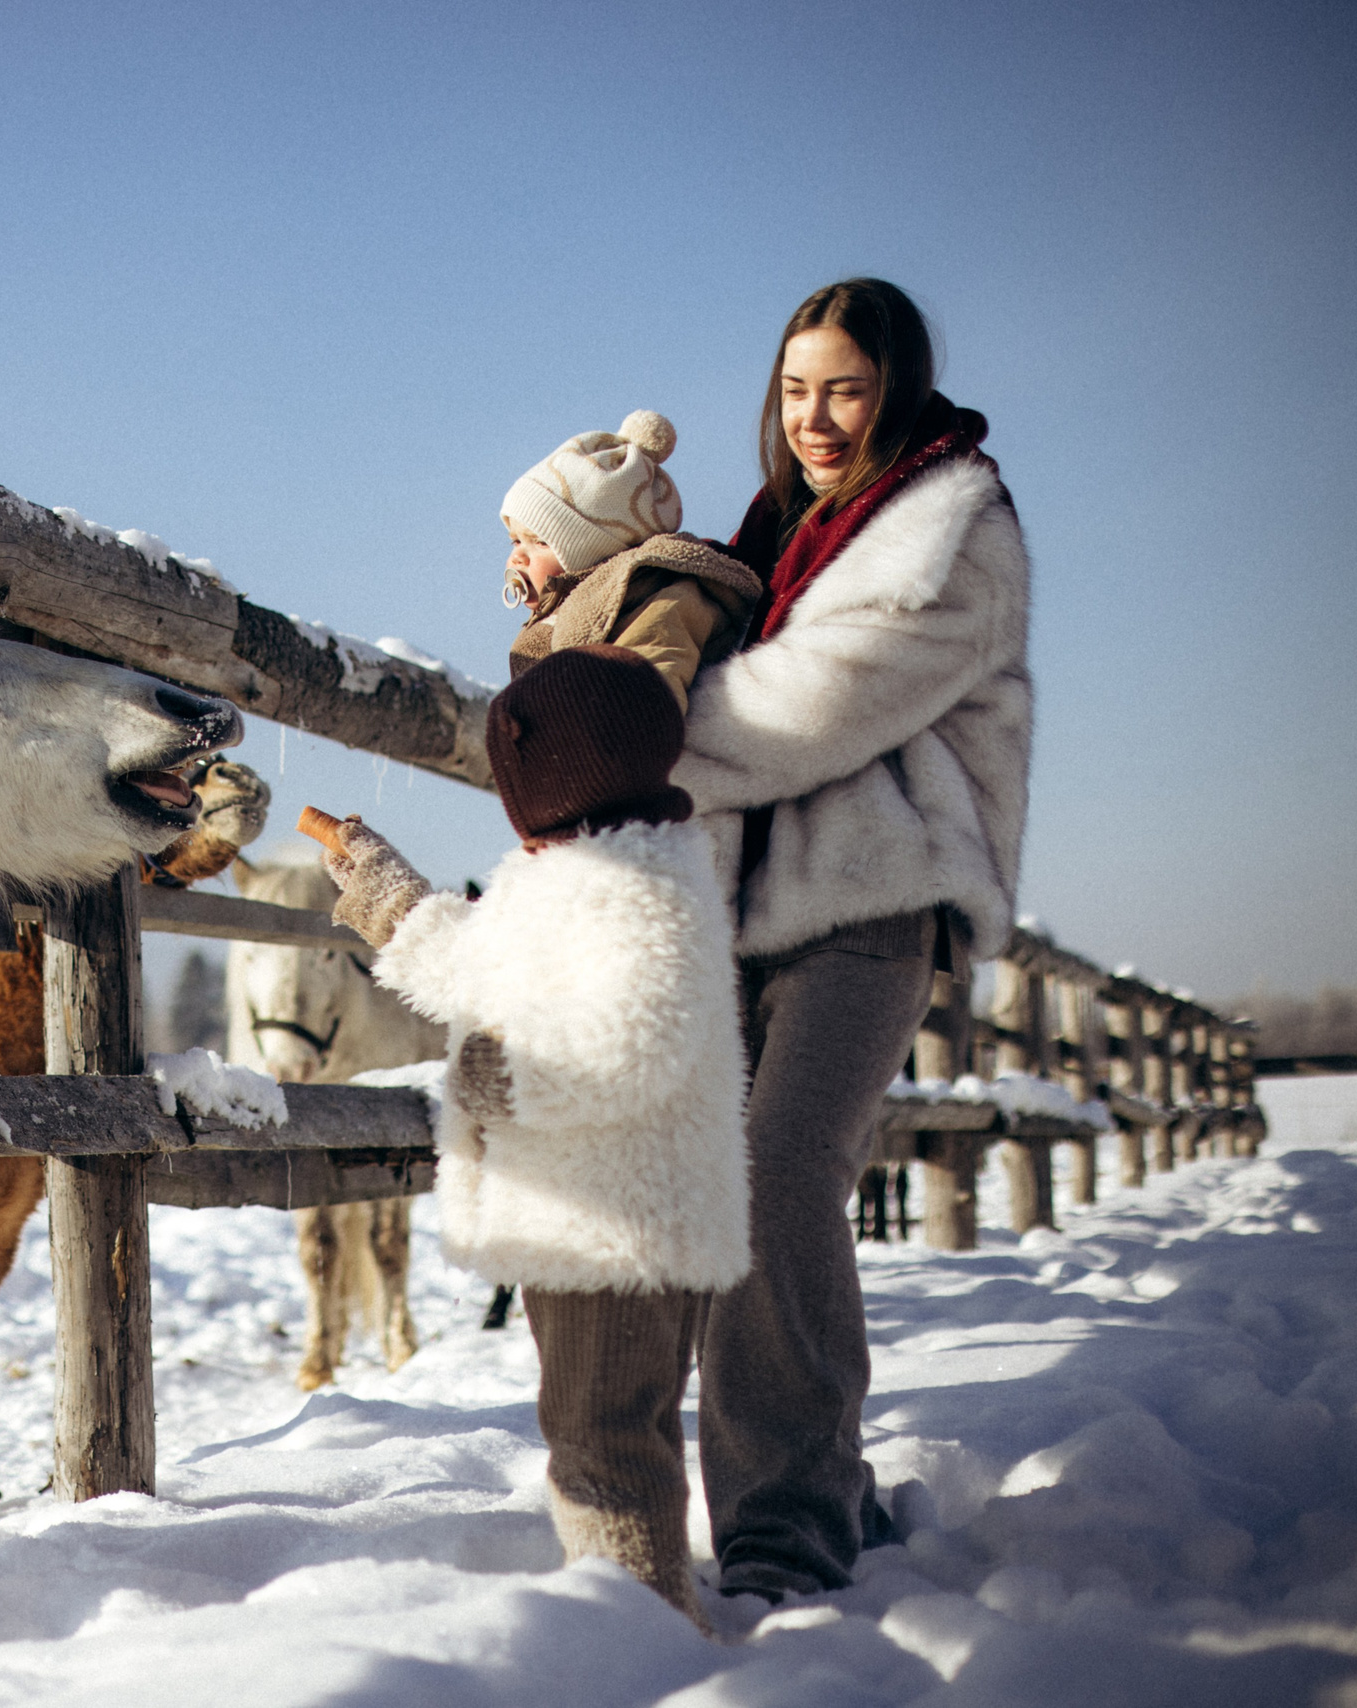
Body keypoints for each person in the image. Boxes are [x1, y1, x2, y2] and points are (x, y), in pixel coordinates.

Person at [670, 278, 1032, 1602]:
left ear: (898, 391)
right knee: (727, 1195)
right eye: (794, 389)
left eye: (846, 388)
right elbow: (673, 624)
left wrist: (633, 728)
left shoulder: (952, 529)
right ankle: (830, 1487)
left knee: (776, 1182)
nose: (815, 417)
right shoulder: (775, 532)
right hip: (749, 910)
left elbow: (805, 708)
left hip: (875, 905)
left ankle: (785, 1537)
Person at [317, 645, 752, 1630]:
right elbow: (474, 962)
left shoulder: (639, 892)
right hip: (593, 1213)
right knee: (603, 1427)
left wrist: (490, 1078)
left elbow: (624, 1046)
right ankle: (638, 1615)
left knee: (605, 1439)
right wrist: (391, 898)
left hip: (621, 1222)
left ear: (551, 770)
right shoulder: (566, 876)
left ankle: (641, 1636)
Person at [500, 410, 762, 709]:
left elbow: (658, 662)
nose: (518, 557)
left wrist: (629, 725)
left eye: (541, 542)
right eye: (516, 540)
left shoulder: (660, 597)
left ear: (595, 549)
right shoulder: (563, 610)